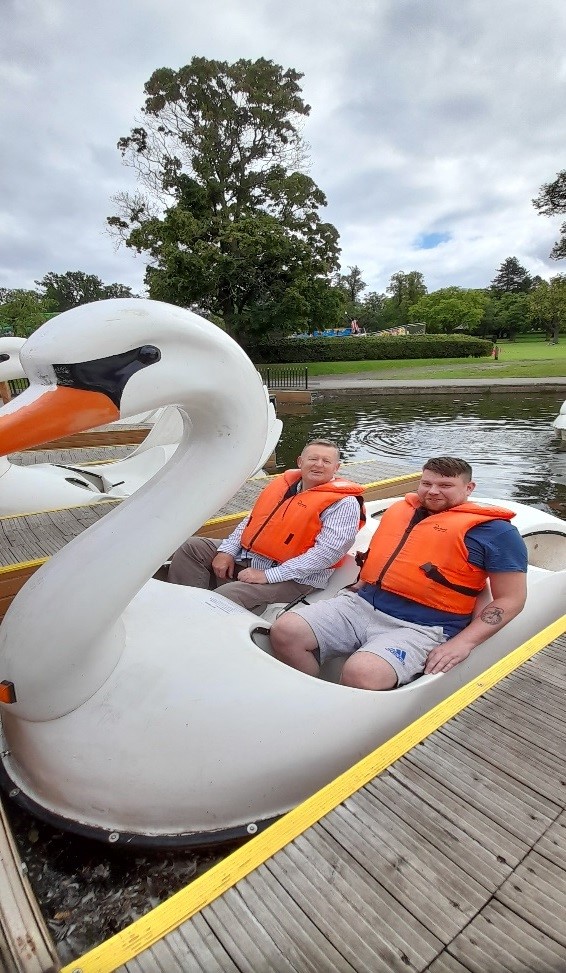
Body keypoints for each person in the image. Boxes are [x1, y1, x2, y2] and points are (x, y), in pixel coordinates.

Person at [270, 456, 528, 689]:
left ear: (469, 488)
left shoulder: (496, 533)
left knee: (363, 673)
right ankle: (309, 693)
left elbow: (511, 599)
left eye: (445, 485)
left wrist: (464, 643)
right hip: (362, 604)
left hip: (423, 626)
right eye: (426, 483)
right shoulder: (401, 510)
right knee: (286, 630)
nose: (433, 491)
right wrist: (359, 585)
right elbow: (386, 559)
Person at [167, 439, 365, 613]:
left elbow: (326, 554)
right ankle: (181, 608)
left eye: (326, 461)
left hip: (294, 579)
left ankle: (195, 619)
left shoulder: (344, 504)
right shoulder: (284, 485)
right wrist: (227, 551)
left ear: (336, 468)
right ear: (300, 462)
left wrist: (268, 576)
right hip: (251, 557)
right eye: (313, 459)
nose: (318, 465)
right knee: (191, 547)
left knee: (224, 596)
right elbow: (252, 521)